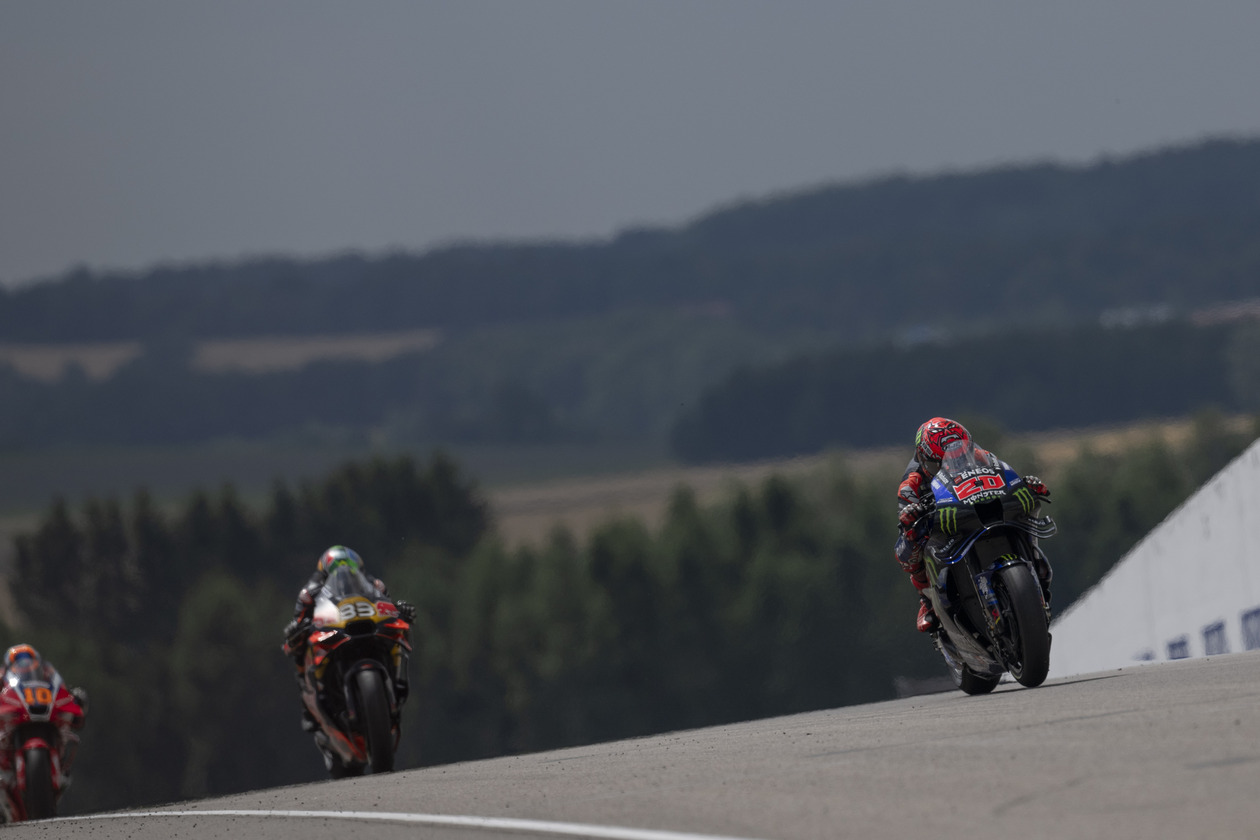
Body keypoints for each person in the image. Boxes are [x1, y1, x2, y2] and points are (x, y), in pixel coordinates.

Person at [894, 417, 1052, 632]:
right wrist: (911, 517)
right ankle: (927, 599)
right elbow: (905, 520)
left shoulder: (981, 456)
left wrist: (1024, 485)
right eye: (939, 463)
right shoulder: (911, 484)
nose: (950, 464)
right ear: (923, 459)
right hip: (941, 526)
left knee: (1020, 511)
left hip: (973, 508)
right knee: (907, 548)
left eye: (960, 457)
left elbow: (1005, 477)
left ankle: (1032, 556)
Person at [282, 546, 415, 730]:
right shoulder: (309, 593)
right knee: (299, 648)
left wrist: (399, 609)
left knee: (399, 630)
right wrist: (297, 627)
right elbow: (298, 620)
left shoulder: (374, 584)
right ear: (324, 574)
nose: (345, 577)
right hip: (333, 631)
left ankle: (396, 680)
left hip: (367, 627)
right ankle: (308, 707)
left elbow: (387, 604)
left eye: (351, 571)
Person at [0, 644, 87, 822]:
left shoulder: (48, 676)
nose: (25, 664)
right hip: (12, 725)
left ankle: (55, 775)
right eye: (19, 661)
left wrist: (74, 698)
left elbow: (72, 696)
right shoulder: (4, 678)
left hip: (44, 718)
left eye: (29, 661)